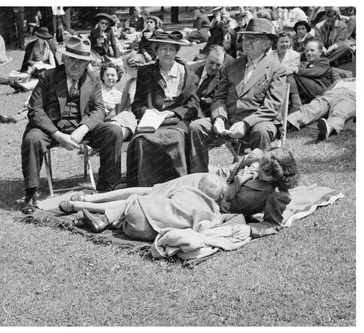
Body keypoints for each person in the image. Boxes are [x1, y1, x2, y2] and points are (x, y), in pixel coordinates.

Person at [59, 147, 299, 240]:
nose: (257, 170)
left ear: (276, 177)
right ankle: (91, 199)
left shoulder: (277, 195)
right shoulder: (255, 158)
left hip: (212, 205)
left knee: (152, 203)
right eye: (259, 164)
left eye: (264, 172)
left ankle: (92, 210)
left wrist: (250, 228)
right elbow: (228, 171)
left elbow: (272, 224)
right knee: (151, 190)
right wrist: (217, 178)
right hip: (206, 183)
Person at [20, 36, 124, 214]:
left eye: (82, 62)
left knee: (113, 131)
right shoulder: (47, 77)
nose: (77, 66)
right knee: (32, 138)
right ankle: (31, 193)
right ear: (64, 59)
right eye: (72, 60)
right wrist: (57, 134)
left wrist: (83, 129)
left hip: (80, 126)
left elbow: (99, 109)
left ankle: (107, 188)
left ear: (88, 64)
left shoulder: (93, 78)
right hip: (51, 128)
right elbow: (35, 110)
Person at [188, 18, 286, 173]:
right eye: (245, 38)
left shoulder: (276, 69)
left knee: (261, 131)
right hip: (230, 120)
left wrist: (246, 124)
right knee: (196, 127)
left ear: (266, 44)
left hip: (258, 121)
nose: (246, 42)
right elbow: (219, 97)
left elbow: (272, 107)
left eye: (253, 39)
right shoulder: (232, 65)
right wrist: (220, 118)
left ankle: (256, 179)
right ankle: (199, 176)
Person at [126, 31, 200, 187]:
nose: (168, 53)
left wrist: (172, 112)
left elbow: (193, 105)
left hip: (176, 121)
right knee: (140, 140)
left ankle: (178, 184)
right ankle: (144, 185)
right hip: (151, 122)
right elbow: (137, 103)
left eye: (172, 49)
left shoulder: (188, 74)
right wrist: (147, 112)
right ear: (156, 51)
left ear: (176, 51)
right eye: (163, 49)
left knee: (175, 139)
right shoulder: (145, 72)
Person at [287, 77, 355, 141]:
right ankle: (288, 121)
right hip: (331, 94)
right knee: (312, 108)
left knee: (340, 112)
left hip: (350, 97)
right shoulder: (341, 80)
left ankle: (328, 128)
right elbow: (328, 89)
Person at [286, 38, 332, 113]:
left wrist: (296, 70)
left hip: (321, 90)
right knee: (290, 76)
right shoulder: (308, 64)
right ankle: (293, 102)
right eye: (307, 51)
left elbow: (315, 72)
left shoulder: (324, 62)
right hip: (310, 90)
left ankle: (296, 104)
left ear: (320, 52)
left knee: (292, 75)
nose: (309, 53)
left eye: (312, 50)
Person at [192, 45, 226, 117]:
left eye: (218, 65)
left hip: (206, 115)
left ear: (223, 64)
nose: (214, 67)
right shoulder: (191, 70)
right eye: (211, 62)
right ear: (205, 58)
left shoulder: (224, 77)